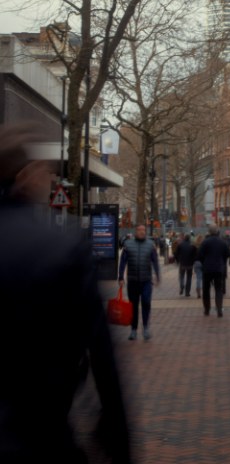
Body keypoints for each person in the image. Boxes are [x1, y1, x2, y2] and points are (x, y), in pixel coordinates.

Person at [0, 122, 131, 463]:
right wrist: (116, 432)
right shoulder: (60, 246)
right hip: (40, 433)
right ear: (26, 176)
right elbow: (102, 350)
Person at [118, 222, 160, 340]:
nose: (142, 232)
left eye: (143, 230)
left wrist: (157, 275)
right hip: (132, 281)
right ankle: (133, 329)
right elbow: (123, 262)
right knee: (134, 306)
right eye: (139, 230)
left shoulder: (150, 245)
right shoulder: (128, 245)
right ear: (135, 232)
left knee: (146, 302)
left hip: (146, 280)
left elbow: (155, 261)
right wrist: (120, 277)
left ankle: (146, 327)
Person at [197, 223, 229, 317]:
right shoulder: (222, 242)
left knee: (206, 289)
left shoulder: (205, 242)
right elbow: (227, 254)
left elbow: (199, 255)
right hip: (219, 268)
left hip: (207, 268)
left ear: (209, 231)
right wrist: (222, 262)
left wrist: (204, 262)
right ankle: (219, 309)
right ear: (217, 231)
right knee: (218, 289)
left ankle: (207, 309)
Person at [193, 234, 204, 298]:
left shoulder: (194, 246)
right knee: (202, 278)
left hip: (196, 262)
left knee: (198, 278)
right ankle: (202, 290)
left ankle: (198, 291)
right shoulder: (204, 246)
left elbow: (192, 256)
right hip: (203, 263)